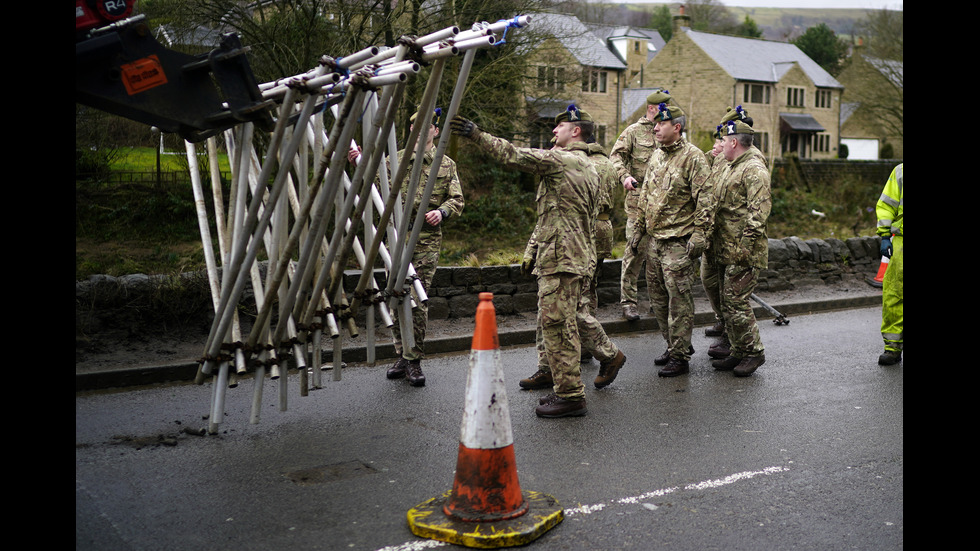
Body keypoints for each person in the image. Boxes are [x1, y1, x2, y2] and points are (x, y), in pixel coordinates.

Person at [450, 106, 626, 418]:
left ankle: (571, 395)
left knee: (557, 327)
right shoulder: (589, 166)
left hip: (561, 258)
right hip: (573, 256)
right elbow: (560, 215)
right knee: (570, 321)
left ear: (576, 131)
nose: (553, 131)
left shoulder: (561, 160)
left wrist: (476, 135)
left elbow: (513, 155)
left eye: (560, 127)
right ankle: (581, 374)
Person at [355, 109, 464, 387]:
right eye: (415, 125)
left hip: (426, 238)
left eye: (426, 125)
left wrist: (442, 212)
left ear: (435, 131)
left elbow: (457, 200)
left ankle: (414, 359)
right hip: (396, 236)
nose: (420, 129)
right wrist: (361, 164)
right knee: (395, 293)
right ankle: (401, 355)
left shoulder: (446, 164)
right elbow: (376, 189)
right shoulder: (395, 159)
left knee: (417, 296)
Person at [627, 103, 711, 377]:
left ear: (676, 127)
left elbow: (706, 200)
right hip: (654, 242)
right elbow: (646, 197)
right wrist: (638, 229)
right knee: (659, 300)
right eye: (655, 124)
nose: (655, 128)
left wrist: (700, 234)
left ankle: (680, 355)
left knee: (679, 302)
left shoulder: (693, 157)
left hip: (678, 242)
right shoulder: (656, 157)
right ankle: (672, 344)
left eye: (660, 124)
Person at [708, 120, 771, 377]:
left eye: (723, 140)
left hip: (744, 251)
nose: (720, 144)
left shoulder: (754, 170)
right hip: (726, 247)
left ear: (734, 142)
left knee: (737, 302)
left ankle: (754, 352)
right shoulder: (730, 166)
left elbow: (759, 215)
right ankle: (737, 350)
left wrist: (743, 249)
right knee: (727, 302)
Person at [610, 89, 674, 322]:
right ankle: (628, 302)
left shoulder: (672, 132)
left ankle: (658, 303)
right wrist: (624, 176)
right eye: (663, 108)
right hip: (638, 205)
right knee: (635, 252)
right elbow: (615, 157)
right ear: (651, 109)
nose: (667, 113)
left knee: (661, 256)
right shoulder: (634, 132)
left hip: (666, 207)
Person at [876, 163, 903, 365]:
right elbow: (886, 204)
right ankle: (892, 348)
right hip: (901, 241)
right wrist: (885, 235)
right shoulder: (900, 171)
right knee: (894, 293)